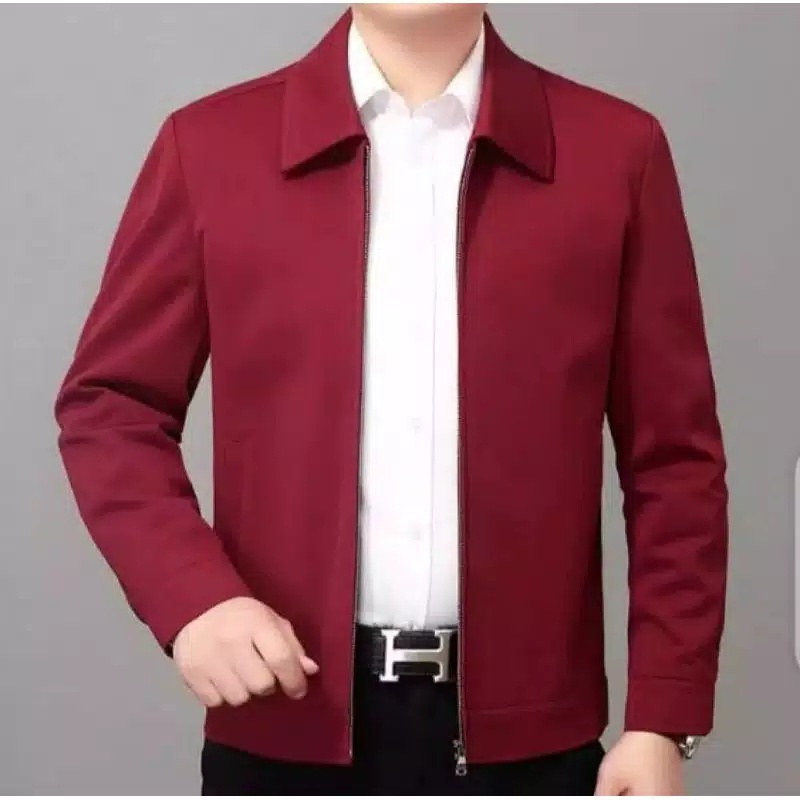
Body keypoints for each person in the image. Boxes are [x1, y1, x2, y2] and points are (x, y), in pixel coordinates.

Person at [55, 3, 728, 796]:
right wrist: (191, 598)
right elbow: (111, 408)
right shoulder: (210, 148)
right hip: (284, 728)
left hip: (534, 751)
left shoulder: (616, 153)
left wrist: (662, 718)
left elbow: (674, 461)